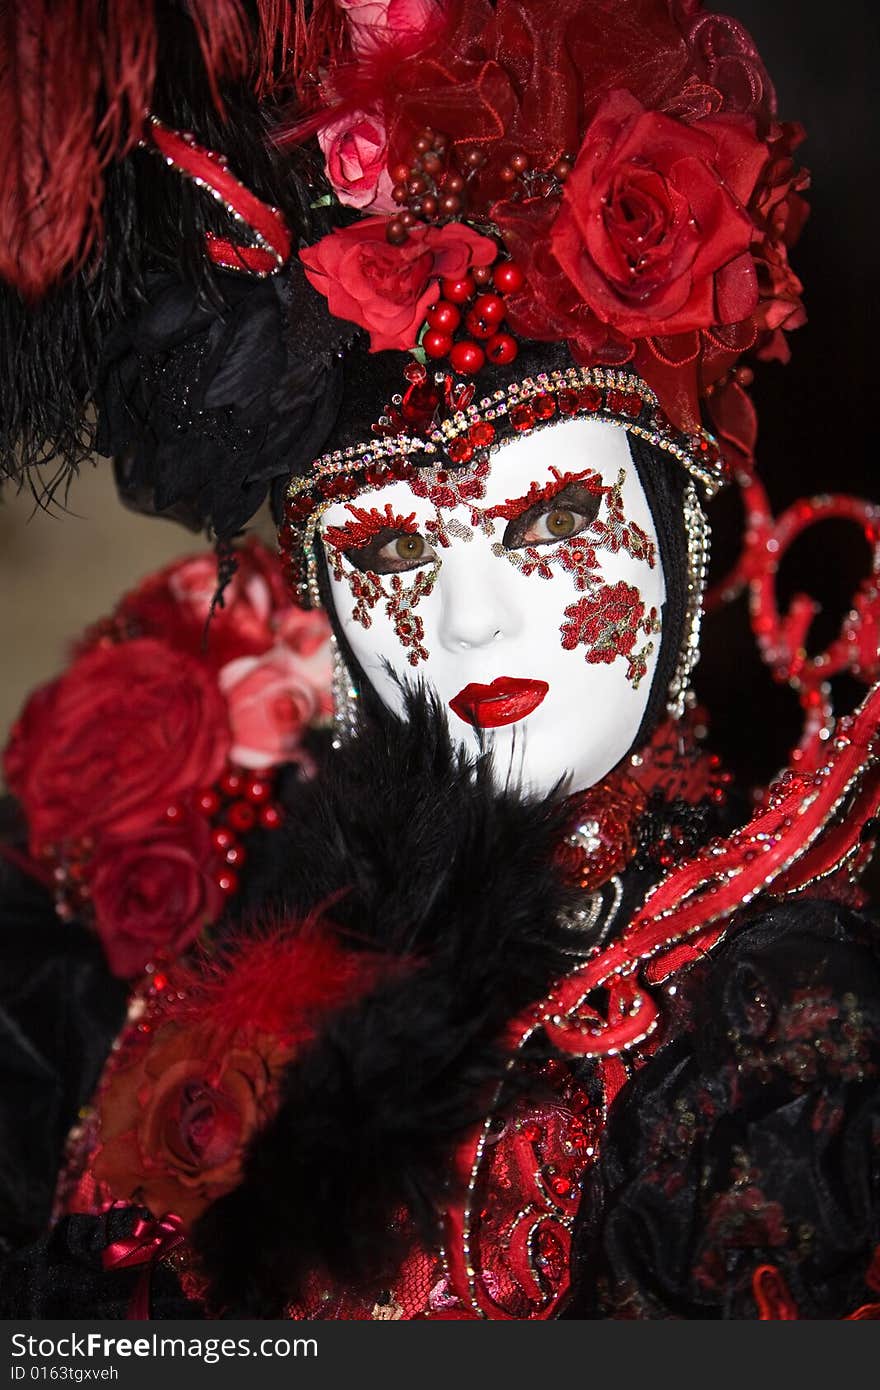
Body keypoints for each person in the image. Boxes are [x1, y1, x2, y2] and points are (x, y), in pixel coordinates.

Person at [1, 0, 879, 1320]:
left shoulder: (803, 1025)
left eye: (553, 520)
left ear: (677, 514)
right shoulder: (210, 943)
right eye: (389, 560)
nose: (464, 624)